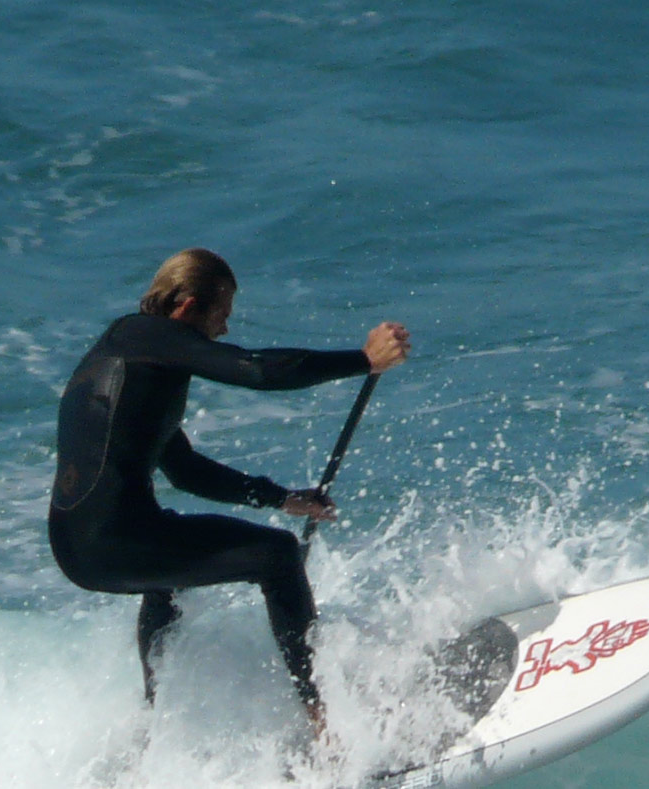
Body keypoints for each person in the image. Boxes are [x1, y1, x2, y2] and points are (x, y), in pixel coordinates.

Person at [48, 247, 410, 729]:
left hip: (77, 550)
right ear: (187, 307)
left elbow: (186, 471)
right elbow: (257, 368)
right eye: (221, 314)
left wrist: (282, 498)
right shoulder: (150, 338)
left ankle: (155, 726)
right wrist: (364, 359)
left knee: (164, 581)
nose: (224, 329)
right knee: (277, 555)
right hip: (116, 541)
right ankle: (325, 722)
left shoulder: (130, 358)